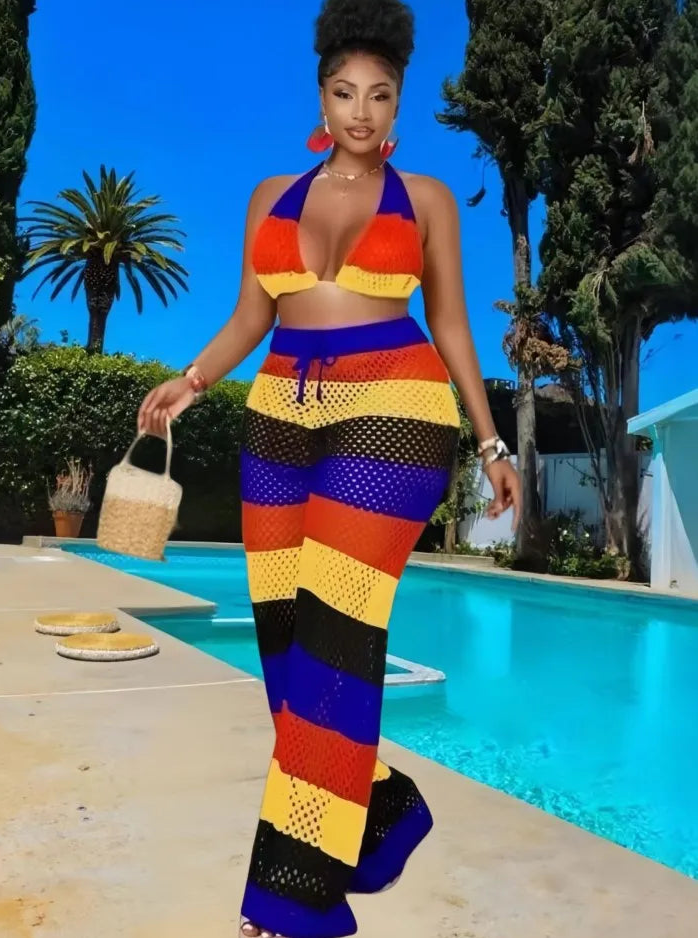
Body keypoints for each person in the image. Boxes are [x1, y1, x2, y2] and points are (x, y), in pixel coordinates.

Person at [138, 1, 520, 934]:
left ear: (399, 104)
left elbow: (455, 327)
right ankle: (381, 808)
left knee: (336, 648)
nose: (361, 111)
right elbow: (249, 317)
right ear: (321, 96)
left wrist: (490, 439)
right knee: (285, 656)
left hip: (395, 417)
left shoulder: (424, 201)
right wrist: (189, 381)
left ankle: (288, 905)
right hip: (278, 420)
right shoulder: (270, 196)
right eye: (345, 93)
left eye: (379, 95)